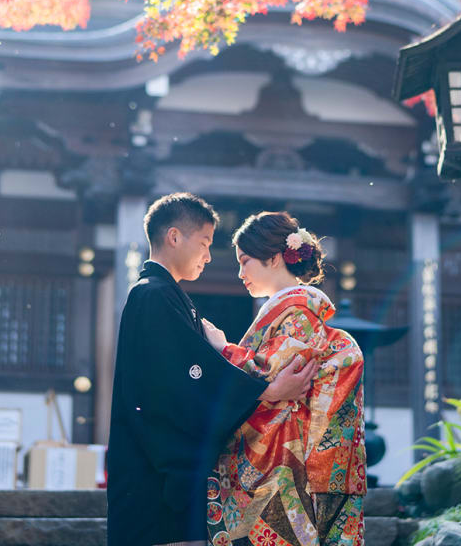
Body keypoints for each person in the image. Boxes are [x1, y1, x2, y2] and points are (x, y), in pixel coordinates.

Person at [107, 193, 319, 546]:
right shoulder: (151, 295)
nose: (208, 255)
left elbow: (194, 373)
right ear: (174, 237)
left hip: (169, 473)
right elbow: (183, 380)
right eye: (204, 243)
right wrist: (267, 391)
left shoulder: (168, 296)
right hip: (154, 475)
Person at [202, 211, 366, 546]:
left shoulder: (299, 313)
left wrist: (222, 348)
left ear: (274, 258)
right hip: (291, 459)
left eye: (245, 261)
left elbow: (267, 377)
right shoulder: (292, 310)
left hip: (286, 464)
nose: (240, 273)